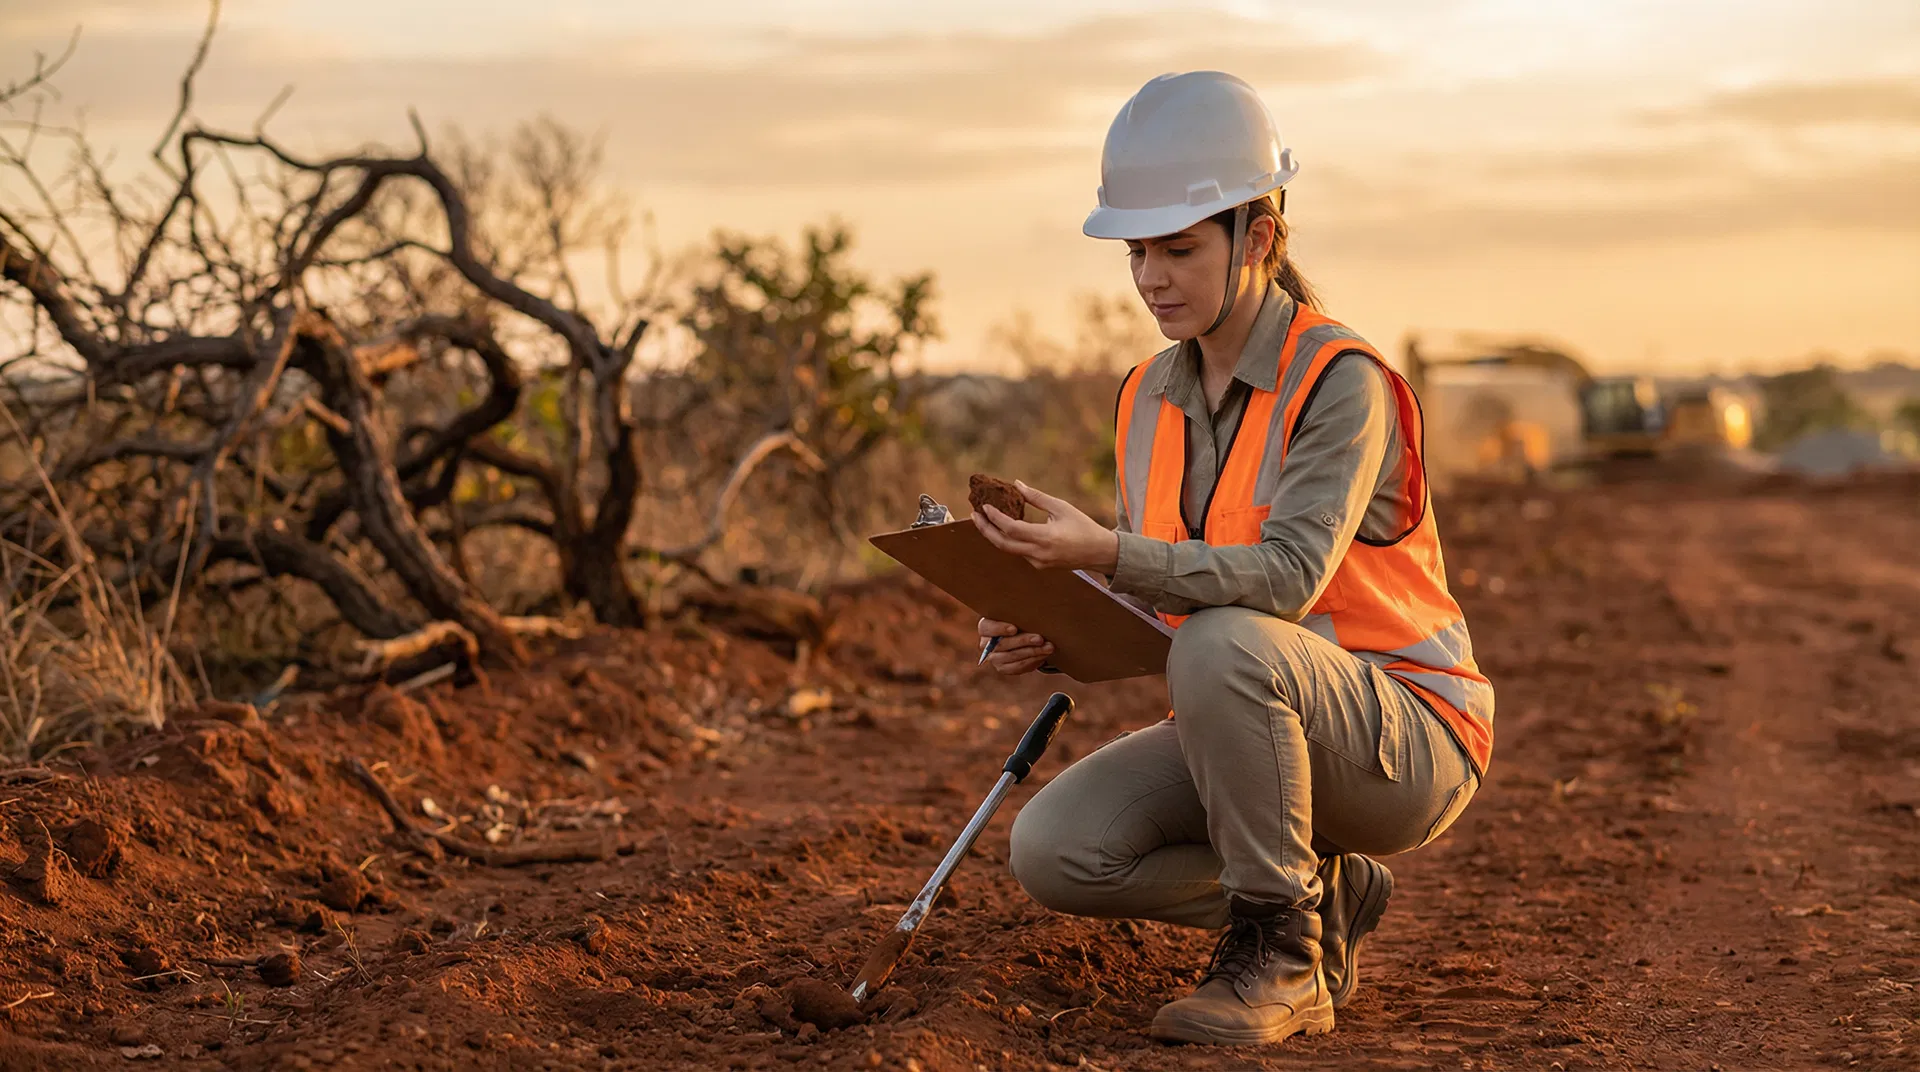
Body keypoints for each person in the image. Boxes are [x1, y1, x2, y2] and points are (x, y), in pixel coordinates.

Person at [970, 71, 1493, 1047]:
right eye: (1136, 252)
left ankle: (1281, 958)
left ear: (1259, 237)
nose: (1150, 278)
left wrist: (1110, 551)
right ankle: (1321, 899)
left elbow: (1283, 582)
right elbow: (1164, 608)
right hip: (1254, 723)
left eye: (1178, 248)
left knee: (1219, 646)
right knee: (1055, 849)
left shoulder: (1342, 382)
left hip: (1407, 736)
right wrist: (1052, 628)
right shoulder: (1146, 398)